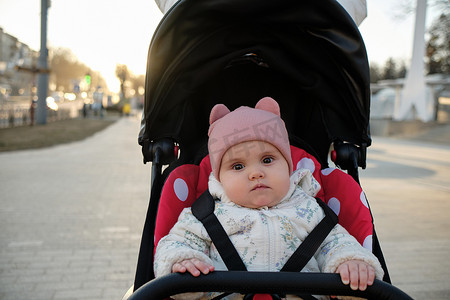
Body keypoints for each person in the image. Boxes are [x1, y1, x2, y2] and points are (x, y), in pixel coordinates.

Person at [154, 97, 384, 299]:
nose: (255, 173)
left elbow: (336, 243)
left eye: (267, 160)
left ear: (288, 166)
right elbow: (175, 243)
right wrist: (181, 262)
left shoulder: (310, 209)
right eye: (237, 166)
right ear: (219, 178)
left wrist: (351, 263)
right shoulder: (205, 214)